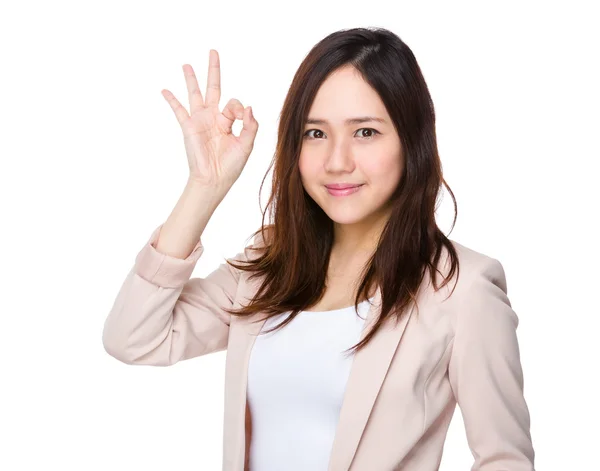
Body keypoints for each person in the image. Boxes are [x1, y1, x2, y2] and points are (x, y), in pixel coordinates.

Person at [103, 27, 535, 471]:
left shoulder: (461, 289)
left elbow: (504, 459)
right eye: (315, 133)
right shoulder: (268, 265)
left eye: (365, 132)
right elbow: (133, 338)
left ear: (412, 141)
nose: (336, 161)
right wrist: (204, 187)